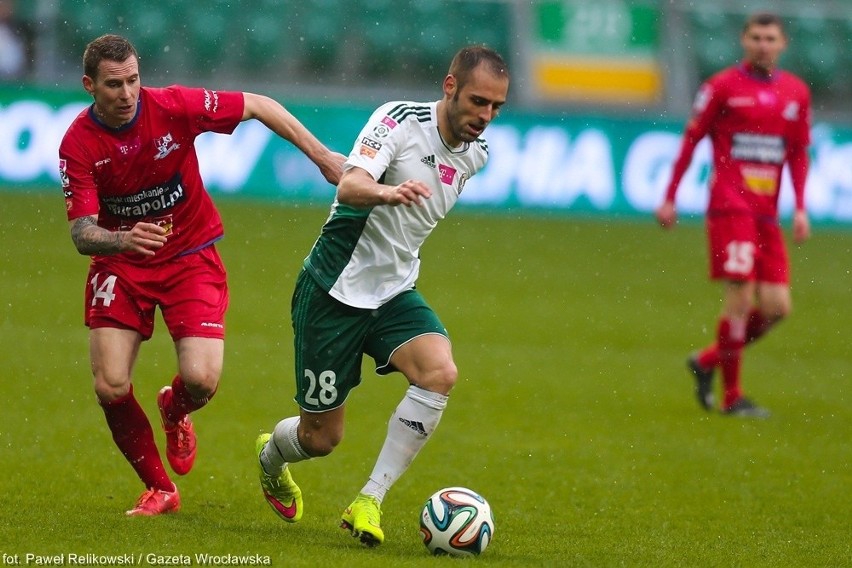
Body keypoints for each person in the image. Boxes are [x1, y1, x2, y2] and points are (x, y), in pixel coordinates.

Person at [59, 34, 345, 516]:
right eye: (113, 85)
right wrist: (124, 240)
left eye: (133, 79)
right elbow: (83, 232)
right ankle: (160, 489)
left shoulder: (172, 106)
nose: (127, 93)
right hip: (121, 264)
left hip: (190, 256)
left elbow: (257, 104)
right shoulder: (78, 144)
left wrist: (321, 156)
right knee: (109, 384)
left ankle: (175, 409)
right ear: (89, 85)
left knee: (201, 381)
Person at [254, 45, 510, 546]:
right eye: (478, 101)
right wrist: (388, 192)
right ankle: (270, 456)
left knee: (440, 373)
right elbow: (349, 187)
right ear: (450, 86)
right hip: (332, 291)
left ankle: (369, 499)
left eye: (496, 107)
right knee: (320, 439)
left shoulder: (477, 155)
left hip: (393, 291)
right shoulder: (398, 120)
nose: (486, 116)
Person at [655, 12, 811, 418]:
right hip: (731, 206)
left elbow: (797, 153)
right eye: (756, 37)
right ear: (744, 40)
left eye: (770, 38)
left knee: (777, 307)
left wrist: (801, 207)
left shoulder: (796, 93)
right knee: (739, 300)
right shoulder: (721, 87)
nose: (763, 44)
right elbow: (692, 140)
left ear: (783, 44)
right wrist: (670, 196)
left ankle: (708, 360)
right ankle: (732, 397)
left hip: (767, 214)